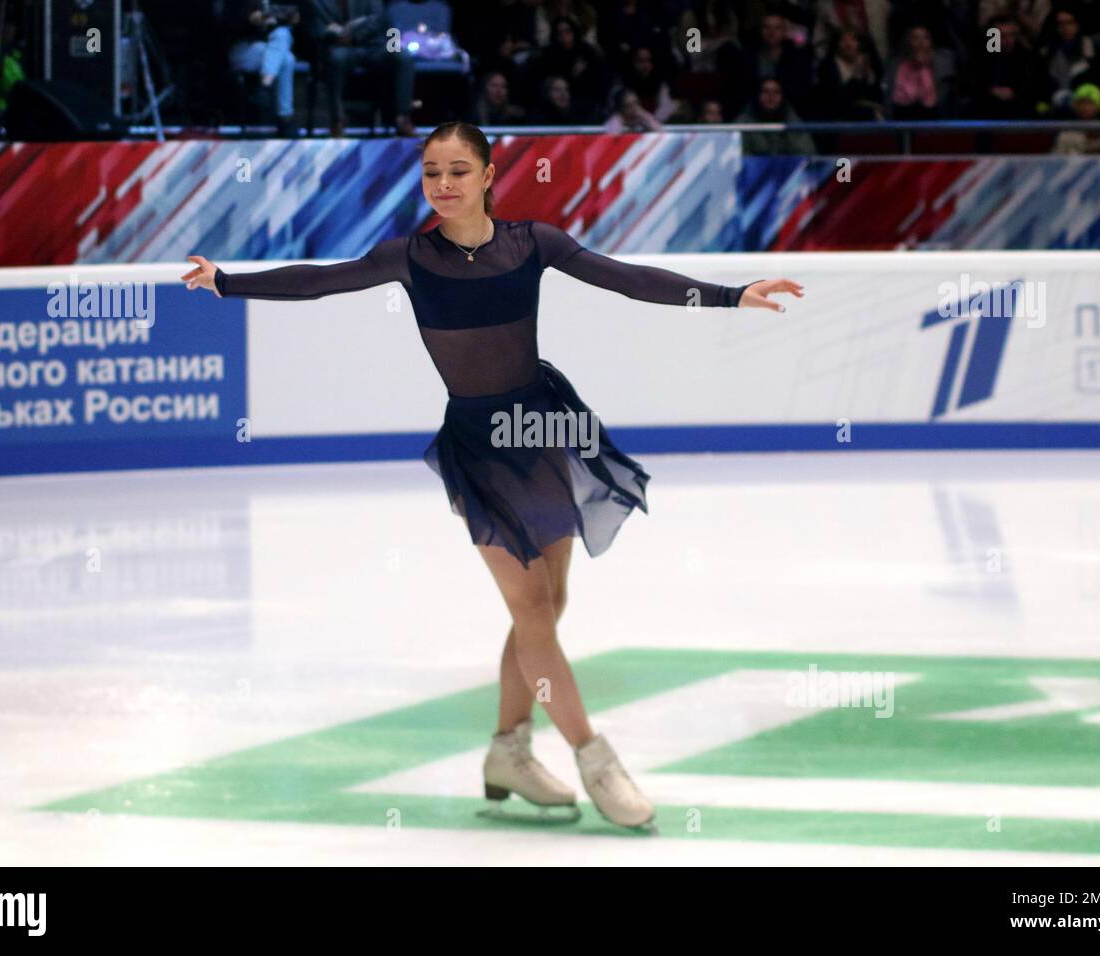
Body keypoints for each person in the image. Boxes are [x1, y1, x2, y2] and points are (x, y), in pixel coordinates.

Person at [181, 121, 802, 830]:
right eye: (430, 174)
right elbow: (321, 283)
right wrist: (225, 283)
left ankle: (508, 749)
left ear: (488, 175)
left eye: (456, 171)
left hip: (541, 429)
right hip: (478, 445)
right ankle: (594, 758)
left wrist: (729, 295)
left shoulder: (533, 243)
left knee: (549, 602)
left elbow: (626, 280)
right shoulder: (409, 257)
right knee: (532, 610)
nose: (442, 186)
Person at [302, 0, 417, 137]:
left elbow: (377, 20)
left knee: (403, 56)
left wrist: (352, 36)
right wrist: (338, 35)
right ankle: (337, 119)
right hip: (338, 47)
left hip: (371, 45)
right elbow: (317, 28)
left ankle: (402, 118)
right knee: (336, 58)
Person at [227, 0, 300, 136]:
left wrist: (273, 18)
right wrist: (252, 20)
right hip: (244, 49)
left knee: (284, 48)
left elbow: (294, 15)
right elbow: (228, 21)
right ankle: (285, 117)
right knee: (285, 56)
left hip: (272, 51)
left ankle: (265, 85)